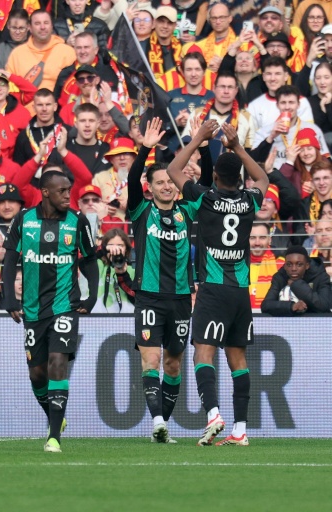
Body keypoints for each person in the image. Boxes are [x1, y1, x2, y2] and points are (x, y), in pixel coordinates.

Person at [167, 119, 270, 447]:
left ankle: (213, 413)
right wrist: (237, 145)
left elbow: (172, 170)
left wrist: (198, 137)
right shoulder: (250, 201)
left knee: (202, 353)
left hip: (213, 288)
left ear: (214, 176)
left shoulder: (203, 198)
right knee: (237, 358)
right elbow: (264, 178)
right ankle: (240, 430)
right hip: (240, 291)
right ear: (239, 177)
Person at [1, 170, 98, 453]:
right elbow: (9, 260)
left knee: (58, 361)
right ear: (45, 192)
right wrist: (9, 297)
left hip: (64, 306)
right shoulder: (24, 220)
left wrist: (90, 294)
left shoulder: (77, 221)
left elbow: (89, 260)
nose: (68, 195)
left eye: (70, 190)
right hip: (32, 309)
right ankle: (56, 418)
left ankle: (53, 436)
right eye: (62, 191)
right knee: (37, 374)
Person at [127, 117, 201, 443]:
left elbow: (206, 178)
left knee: (172, 364)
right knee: (151, 359)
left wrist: (197, 141)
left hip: (181, 298)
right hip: (149, 296)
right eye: (159, 183)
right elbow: (132, 178)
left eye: (170, 182)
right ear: (150, 187)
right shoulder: (141, 211)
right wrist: (145, 148)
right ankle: (156, 418)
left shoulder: (188, 210)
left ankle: (162, 427)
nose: (167, 186)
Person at [6, 9, 76, 113]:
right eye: (37, 23)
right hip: (25, 115)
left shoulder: (67, 52)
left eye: (46, 23)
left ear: (52, 26)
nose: (42, 27)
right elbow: (11, 90)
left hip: (57, 114)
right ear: (29, 27)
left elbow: (74, 88)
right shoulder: (17, 54)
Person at [261, 245, 332, 315]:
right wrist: (292, 306)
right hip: (287, 323)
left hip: (317, 323)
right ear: (285, 266)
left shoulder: (320, 276)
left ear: (307, 265)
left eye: (299, 264)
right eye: (289, 265)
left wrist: (296, 285)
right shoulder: (280, 277)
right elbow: (266, 305)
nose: (294, 269)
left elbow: (324, 305)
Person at [92, 228, 135, 314]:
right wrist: (103, 250)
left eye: (120, 246)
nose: (115, 250)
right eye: (111, 245)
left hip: (127, 322)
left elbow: (137, 299)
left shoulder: (133, 270)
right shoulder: (98, 266)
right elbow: (84, 258)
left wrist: (123, 275)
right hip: (98, 321)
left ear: (126, 248)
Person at [249, 222, 285, 309]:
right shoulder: (237, 266)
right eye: (252, 238)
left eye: (262, 238)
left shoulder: (281, 265)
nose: (257, 243)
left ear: (269, 240)